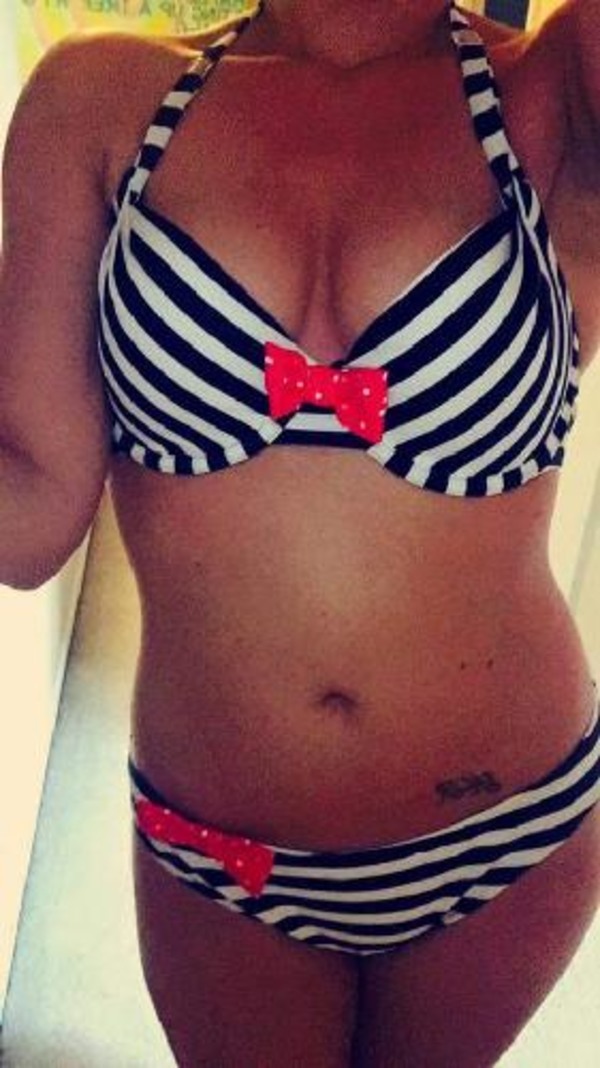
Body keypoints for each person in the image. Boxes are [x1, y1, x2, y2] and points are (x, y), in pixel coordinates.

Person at [1, 0, 600, 1064]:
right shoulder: (95, 103)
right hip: (219, 852)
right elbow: (30, 516)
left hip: (506, 831)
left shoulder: (555, 95)